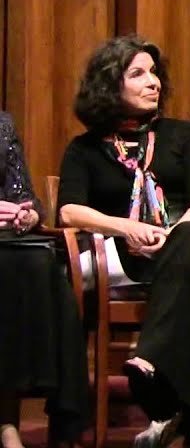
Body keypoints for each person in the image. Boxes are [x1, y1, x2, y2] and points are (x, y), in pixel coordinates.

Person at [57, 36, 190, 448]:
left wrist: (171, 238)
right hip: (133, 261)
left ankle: (152, 353)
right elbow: (68, 212)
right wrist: (125, 227)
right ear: (110, 84)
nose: (152, 82)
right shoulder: (84, 149)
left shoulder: (184, 135)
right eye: (138, 73)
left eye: (154, 72)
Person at [0, 113, 89, 448]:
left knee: (42, 264)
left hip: (6, 241)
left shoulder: (2, 124)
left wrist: (28, 214)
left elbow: (25, 194)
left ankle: (13, 420)